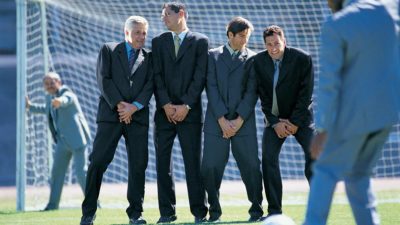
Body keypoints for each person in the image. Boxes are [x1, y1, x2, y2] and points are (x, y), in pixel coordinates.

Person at [303, 0, 400, 224]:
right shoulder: (391, 9)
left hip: (352, 115)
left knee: (325, 171)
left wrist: (323, 128)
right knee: (358, 176)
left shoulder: (337, 24)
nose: (327, 4)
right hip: (388, 114)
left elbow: (329, 83)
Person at [80, 16, 153, 225]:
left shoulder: (150, 57)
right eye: (138, 32)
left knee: (138, 165)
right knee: (98, 162)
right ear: (127, 32)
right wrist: (121, 105)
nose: (142, 37)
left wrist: (134, 107)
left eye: (144, 33)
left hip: (137, 118)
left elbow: (150, 84)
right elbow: (103, 79)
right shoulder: (109, 49)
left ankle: (136, 214)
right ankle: (88, 213)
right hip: (111, 117)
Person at [201, 17, 263, 223]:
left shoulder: (253, 59)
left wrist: (238, 120)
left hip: (243, 124)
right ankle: (214, 212)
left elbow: (252, 91)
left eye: (247, 36)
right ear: (230, 35)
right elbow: (211, 87)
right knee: (210, 167)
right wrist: (221, 119)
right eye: (242, 36)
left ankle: (256, 210)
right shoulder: (212, 56)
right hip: (215, 123)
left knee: (252, 166)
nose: (245, 40)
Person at [152, 2, 209, 223]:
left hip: (190, 114)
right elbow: (156, 75)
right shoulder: (158, 42)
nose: (163, 18)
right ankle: (167, 213)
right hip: (163, 114)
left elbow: (200, 77)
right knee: (163, 164)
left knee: (193, 164)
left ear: (181, 14)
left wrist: (186, 106)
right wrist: (166, 104)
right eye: (162, 14)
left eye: (167, 14)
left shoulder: (200, 41)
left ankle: (199, 213)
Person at [253, 25, 315, 217]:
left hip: (301, 119)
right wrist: (275, 122)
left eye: (277, 43)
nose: (273, 48)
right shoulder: (258, 61)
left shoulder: (302, 58)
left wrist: (294, 122)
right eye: (269, 44)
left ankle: (317, 206)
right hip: (274, 121)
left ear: (284, 41)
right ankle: (274, 212)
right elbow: (262, 96)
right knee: (268, 160)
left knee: (315, 157)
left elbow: (306, 94)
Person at [26, 72, 91, 211]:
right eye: (47, 83)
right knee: (56, 173)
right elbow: (47, 109)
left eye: (52, 82)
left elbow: (67, 99)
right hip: (63, 142)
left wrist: (60, 101)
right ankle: (52, 205)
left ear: (59, 82)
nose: (49, 86)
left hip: (78, 140)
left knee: (81, 174)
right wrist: (30, 106)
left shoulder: (65, 92)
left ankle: (93, 203)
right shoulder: (50, 98)